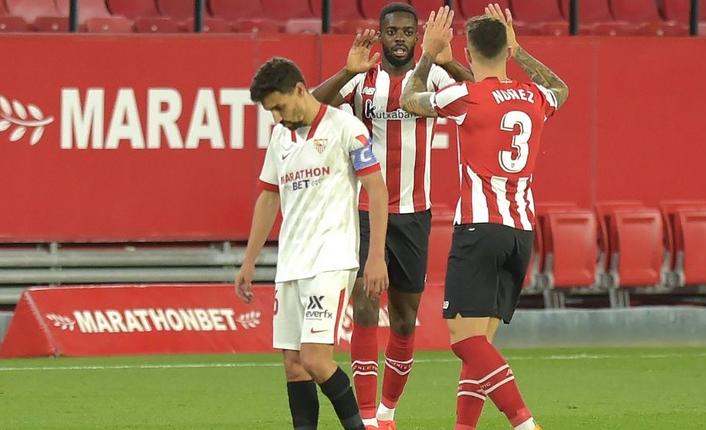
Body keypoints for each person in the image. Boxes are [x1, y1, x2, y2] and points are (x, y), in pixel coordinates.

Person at [400, 4, 569, 430]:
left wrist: (428, 55)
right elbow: (560, 89)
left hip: (480, 228)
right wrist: (521, 50)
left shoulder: (465, 97)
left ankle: (524, 423)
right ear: (506, 50)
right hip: (520, 232)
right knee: (483, 341)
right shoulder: (532, 96)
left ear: (469, 51)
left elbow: (407, 100)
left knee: (466, 341)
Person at [311, 3, 474, 429]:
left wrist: (447, 58)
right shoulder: (363, 77)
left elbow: (482, 96)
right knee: (365, 309)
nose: (399, 38)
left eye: (406, 31)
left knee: (403, 318)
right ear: (380, 35)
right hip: (364, 212)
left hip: (414, 215)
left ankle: (387, 414)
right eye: (392, 31)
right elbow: (310, 107)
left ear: (417, 35)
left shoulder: (432, 74)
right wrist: (347, 71)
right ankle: (366, 419)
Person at [234, 56, 390, 430]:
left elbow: (377, 189)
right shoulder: (280, 138)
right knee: (293, 366)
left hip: (331, 259)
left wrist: (376, 256)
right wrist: (249, 260)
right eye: (271, 111)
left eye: (280, 107)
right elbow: (269, 197)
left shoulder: (345, 127)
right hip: (290, 263)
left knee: (316, 359)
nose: (277, 117)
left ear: (300, 90)